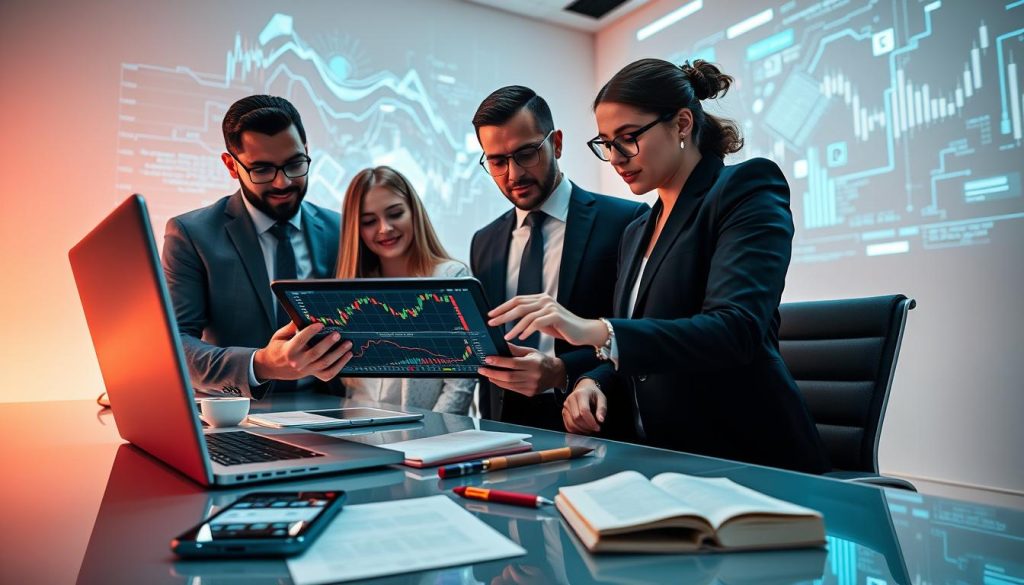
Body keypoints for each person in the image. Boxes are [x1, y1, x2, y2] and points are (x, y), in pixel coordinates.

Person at [488, 59, 830, 473]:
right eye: (606, 143)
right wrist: (593, 380)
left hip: (748, 457)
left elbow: (735, 330)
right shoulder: (638, 230)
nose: (615, 157)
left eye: (628, 138)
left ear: (682, 124)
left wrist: (594, 329)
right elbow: (645, 348)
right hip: (665, 459)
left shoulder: (746, 188)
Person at [471, 85, 647, 432]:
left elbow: (639, 335)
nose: (513, 174)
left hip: (597, 427)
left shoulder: (627, 222)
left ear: (558, 144)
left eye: (526, 153)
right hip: (505, 432)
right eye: (497, 161)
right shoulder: (484, 242)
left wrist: (562, 372)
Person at [163, 95, 351, 399]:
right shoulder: (191, 235)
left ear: (306, 151)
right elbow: (174, 344)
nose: (282, 183)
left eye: (294, 164)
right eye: (262, 170)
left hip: (334, 412)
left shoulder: (340, 231)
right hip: (233, 418)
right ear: (231, 166)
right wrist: (260, 364)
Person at [332, 166, 475, 414]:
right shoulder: (353, 289)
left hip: (431, 440)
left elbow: (460, 385)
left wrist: (431, 437)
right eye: (369, 221)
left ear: (413, 213)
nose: (384, 228)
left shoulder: (450, 277)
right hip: (361, 435)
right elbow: (354, 389)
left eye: (395, 214)